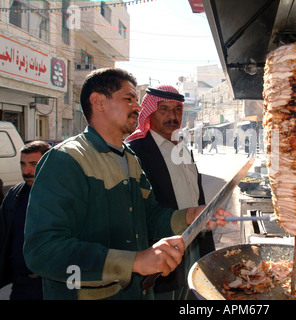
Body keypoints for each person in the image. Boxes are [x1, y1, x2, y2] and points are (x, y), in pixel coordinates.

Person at [22, 68, 230, 300]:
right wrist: (135, 261)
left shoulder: (130, 159)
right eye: (129, 99)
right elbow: (43, 251)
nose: (138, 107)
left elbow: (149, 217)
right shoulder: (67, 160)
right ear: (98, 102)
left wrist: (192, 215)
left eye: (137, 100)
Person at [126, 85, 215, 299]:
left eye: (177, 109)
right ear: (150, 112)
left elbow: (196, 194)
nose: (172, 115)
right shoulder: (136, 151)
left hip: (193, 242)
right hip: (162, 249)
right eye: (164, 108)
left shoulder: (183, 147)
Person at [0, 141, 51, 300]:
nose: (26, 171)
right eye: (22, 164)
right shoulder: (15, 195)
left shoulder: (62, 196)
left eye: (33, 164)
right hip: (21, 284)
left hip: (50, 284)